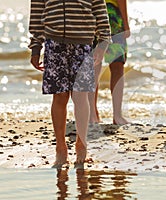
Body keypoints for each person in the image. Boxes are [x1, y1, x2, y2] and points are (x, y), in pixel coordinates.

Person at [28, 0, 110, 167]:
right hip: (54, 44)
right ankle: (60, 147)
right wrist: (36, 48)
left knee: (80, 96)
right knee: (59, 96)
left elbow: (100, 10)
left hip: (83, 44)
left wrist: (102, 43)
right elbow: (36, 17)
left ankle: (81, 143)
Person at [89, 0, 130, 125]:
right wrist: (126, 24)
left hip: (92, 13)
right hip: (109, 14)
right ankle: (115, 115)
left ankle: (93, 114)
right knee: (115, 65)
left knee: (96, 65)